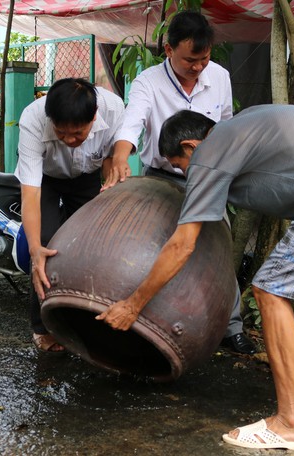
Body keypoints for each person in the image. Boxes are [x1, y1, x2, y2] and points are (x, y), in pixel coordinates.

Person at [96, 105, 294, 450]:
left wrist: (133, 305)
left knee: (269, 289)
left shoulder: (210, 151)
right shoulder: (243, 129)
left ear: (190, 146)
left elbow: (181, 246)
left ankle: (291, 422)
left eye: (179, 165)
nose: (184, 173)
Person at [102, 10, 254, 354]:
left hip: (207, 179)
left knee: (220, 249)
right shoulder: (148, 82)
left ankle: (230, 327)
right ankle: (147, 320)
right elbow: (132, 123)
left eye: (204, 58)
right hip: (160, 177)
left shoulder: (221, 77)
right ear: (168, 51)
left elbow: (225, 128)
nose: (199, 66)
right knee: (155, 246)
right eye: (190, 60)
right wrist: (122, 157)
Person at [15, 78, 124, 353]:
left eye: (78, 133)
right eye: (61, 133)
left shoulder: (113, 108)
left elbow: (112, 154)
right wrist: (35, 247)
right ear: (49, 119)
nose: (70, 140)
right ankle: (41, 325)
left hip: (86, 177)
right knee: (47, 245)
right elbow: (30, 193)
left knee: (91, 243)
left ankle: (82, 316)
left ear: (94, 117)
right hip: (45, 180)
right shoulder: (32, 118)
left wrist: (111, 178)